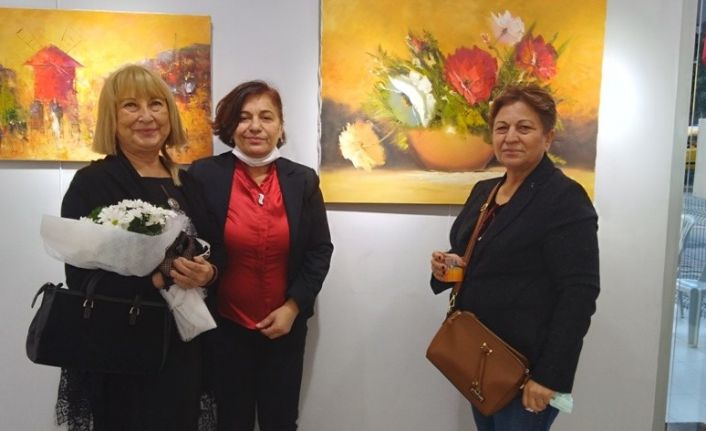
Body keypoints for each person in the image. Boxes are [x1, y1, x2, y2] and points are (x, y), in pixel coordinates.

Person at [56, 64, 225, 431]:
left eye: (156, 104)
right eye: (131, 105)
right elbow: (80, 279)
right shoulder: (92, 184)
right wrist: (158, 280)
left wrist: (208, 273)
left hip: (184, 350)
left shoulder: (188, 183)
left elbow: (219, 252)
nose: (147, 117)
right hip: (123, 353)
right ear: (112, 117)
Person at [429, 85, 599, 431]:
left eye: (524, 128)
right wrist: (449, 266)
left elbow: (579, 294)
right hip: (480, 359)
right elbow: (476, 257)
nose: (510, 137)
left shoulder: (564, 198)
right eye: (501, 128)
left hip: (526, 373)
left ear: (547, 137)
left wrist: (549, 377)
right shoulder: (485, 191)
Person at [189, 80, 333, 431]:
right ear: (230, 126)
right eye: (244, 117)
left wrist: (292, 307)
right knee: (230, 422)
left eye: (266, 117)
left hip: (284, 328)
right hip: (224, 327)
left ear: (280, 126)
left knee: (280, 422)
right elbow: (193, 242)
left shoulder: (302, 181)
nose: (255, 126)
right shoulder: (204, 175)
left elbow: (319, 250)